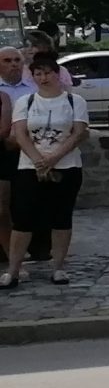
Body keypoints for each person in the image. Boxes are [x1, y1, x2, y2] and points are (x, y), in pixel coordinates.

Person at [5, 48, 91, 288]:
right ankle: (13, 269)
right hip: (30, 167)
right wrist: (38, 161)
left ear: (56, 74)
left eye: (48, 73)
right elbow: (20, 134)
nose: (43, 78)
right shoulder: (25, 102)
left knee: (60, 217)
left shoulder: (75, 101)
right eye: (38, 74)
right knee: (23, 218)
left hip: (66, 165)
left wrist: (54, 158)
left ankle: (59, 267)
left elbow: (78, 133)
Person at [0, 41, 26, 261]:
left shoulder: (33, 88)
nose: (13, 64)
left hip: (27, 151)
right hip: (5, 151)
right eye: (7, 61)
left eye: (17, 60)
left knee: (25, 204)